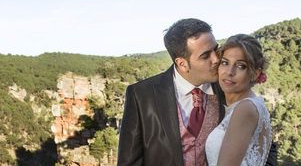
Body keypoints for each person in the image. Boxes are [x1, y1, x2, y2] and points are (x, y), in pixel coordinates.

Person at [117, 18, 223, 166]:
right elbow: (129, 162)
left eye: (216, 49)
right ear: (182, 64)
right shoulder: (142, 95)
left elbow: (262, 145)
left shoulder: (228, 88)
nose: (216, 59)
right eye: (205, 56)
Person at [205, 34, 272, 166]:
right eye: (225, 63)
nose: (230, 72)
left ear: (255, 73)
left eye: (241, 66)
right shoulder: (252, 103)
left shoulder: (245, 109)